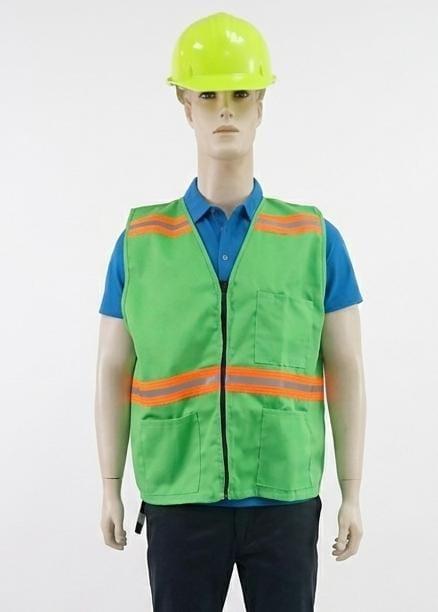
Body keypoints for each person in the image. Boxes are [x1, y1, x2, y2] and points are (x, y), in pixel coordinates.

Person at [95, 11, 366, 612]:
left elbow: (346, 369)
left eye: (240, 94)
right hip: (178, 496)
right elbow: (113, 370)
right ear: (184, 106)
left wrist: (352, 490)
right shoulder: (140, 243)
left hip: (284, 496)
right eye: (208, 95)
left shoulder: (314, 239)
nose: (225, 110)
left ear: (261, 104)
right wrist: (110, 484)